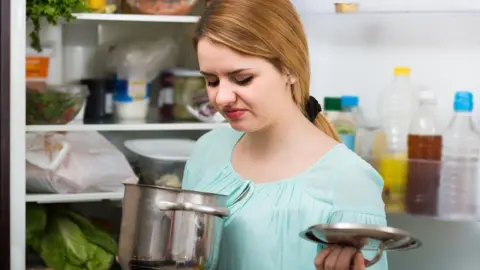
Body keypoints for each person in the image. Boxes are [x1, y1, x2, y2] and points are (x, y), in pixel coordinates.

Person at [182, 0, 388, 269]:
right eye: (211, 81)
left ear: (289, 69)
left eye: (242, 79)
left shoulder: (349, 180)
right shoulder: (207, 150)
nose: (222, 97)